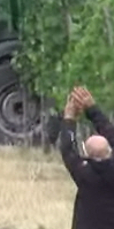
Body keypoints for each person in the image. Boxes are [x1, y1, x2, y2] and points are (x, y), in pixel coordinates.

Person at [60, 86, 114, 229]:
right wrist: (93, 110)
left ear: (86, 153)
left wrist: (69, 119)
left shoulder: (84, 173)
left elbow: (67, 149)